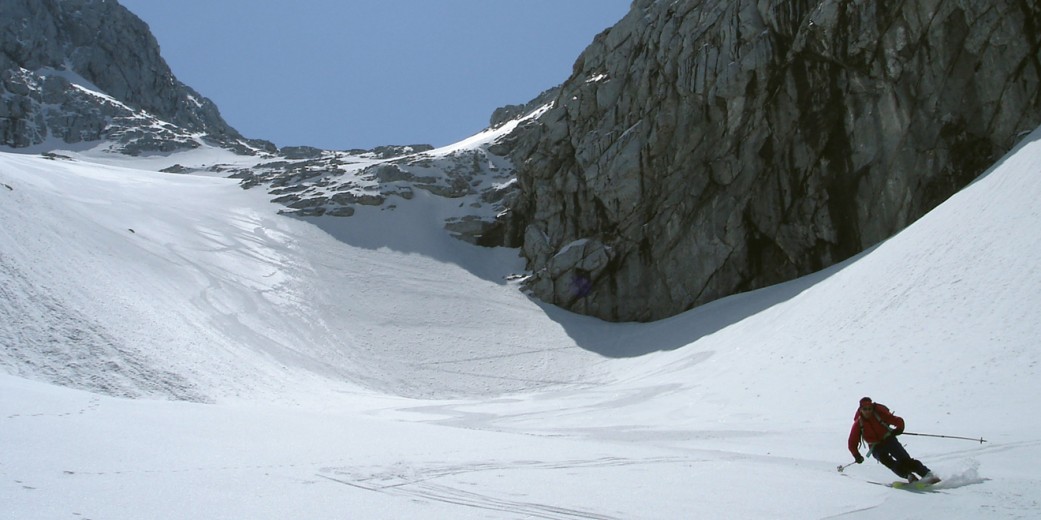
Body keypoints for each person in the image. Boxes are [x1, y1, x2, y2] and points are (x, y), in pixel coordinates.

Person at [848, 397, 940, 484]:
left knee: (905, 460)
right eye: (865, 409)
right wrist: (857, 455)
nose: (868, 411)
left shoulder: (879, 414)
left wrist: (899, 429)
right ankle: (908, 476)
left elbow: (897, 420)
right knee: (887, 461)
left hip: (888, 439)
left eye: (870, 408)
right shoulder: (858, 424)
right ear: (860, 410)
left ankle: (927, 474)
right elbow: (852, 443)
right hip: (875, 446)